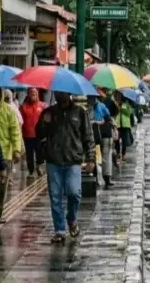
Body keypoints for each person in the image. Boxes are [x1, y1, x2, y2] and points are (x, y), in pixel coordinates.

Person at [36, 91, 95, 243]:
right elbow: (39, 133)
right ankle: (59, 230)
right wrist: (44, 122)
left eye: (61, 93)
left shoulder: (80, 112)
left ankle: (72, 218)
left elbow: (88, 136)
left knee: (74, 193)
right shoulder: (49, 112)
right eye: (56, 92)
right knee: (55, 196)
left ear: (68, 94)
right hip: (53, 161)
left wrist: (90, 158)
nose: (58, 95)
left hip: (73, 160)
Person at [0, 88, 22, 223]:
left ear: (0, 93)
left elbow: (15, 131)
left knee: (0, 186)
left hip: (4, 154)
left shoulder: (9, 110)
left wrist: (17, 149)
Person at [88, 95, 115, 188]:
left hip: (105, 135)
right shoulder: (89, 109)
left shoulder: (101, 106)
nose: (88, 100)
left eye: (89, 98)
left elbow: (108, 118)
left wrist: (99, 122)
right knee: (95, 157)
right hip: (95, 136)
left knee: (106, 157)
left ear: (94, 98)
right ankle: (97, 178)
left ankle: (107, 178)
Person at [20, 87, 45, 177]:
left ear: (37, 94)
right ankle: (31, 171)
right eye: (31, 93)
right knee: (29, 155)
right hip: (27, 135)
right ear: (28, 94)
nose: (33, 95)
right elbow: (20, 121)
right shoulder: (23, 107)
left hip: (39, 135)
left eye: (35, 93)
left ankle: (39, 166)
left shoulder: (42, 106)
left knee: (40, 153)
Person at [114, 92, 134, 162]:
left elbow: (129, 113)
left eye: (119, 95)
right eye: (116, 95)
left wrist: (121, 108)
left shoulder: (126, 104)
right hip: (117, 124)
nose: (117, 96)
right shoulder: (114, 103)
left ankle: (123, 154)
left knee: (124, 141)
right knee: (116, 139)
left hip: (125, 125)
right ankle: (118, 153)